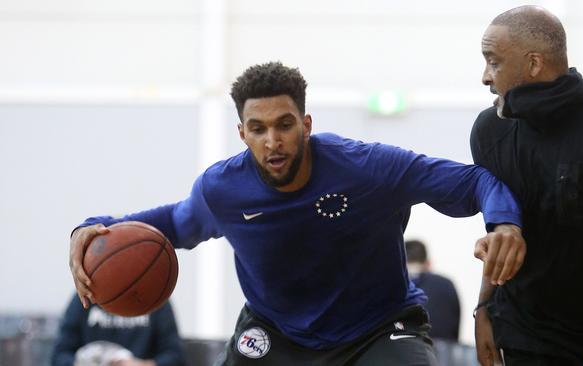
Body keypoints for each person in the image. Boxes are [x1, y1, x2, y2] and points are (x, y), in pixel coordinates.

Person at [69, 61, 526, 366]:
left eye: (284, 125)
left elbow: (475, 181)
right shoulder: (222, 189)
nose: (273, 140)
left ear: (306, 125)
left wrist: (504, 222)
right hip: (278, 333)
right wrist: (91, 230)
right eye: (258, 129)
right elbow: (173, 225)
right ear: (242, 133)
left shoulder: (368, 167)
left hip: (377, 329)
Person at [472, 5, 583, 366]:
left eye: (494, 62)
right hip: (526, 333)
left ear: (534, 64)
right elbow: (501, 235)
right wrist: (484, 308)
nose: (485, 77)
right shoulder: (490, 130)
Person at [50, 295, 186, 366]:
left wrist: (142, 365)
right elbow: (59, 356)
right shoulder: (84, 299)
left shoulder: (156, 299)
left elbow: (175, 357)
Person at [405, 240, 460, 341]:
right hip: (444, 351)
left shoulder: (396, 286)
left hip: (407, 350)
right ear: (428, 263)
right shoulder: (446, 284)